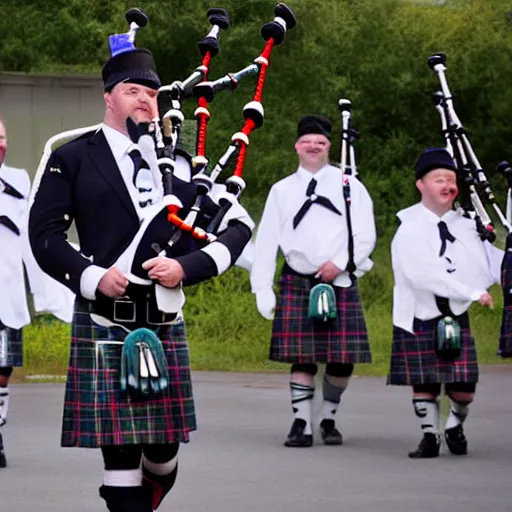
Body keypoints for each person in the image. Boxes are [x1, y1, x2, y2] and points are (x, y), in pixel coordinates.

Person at [28, 38, 253, 511]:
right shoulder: (73, 157)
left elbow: (236, 227)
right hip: (106, 321)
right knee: (122, 459)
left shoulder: (180, 163)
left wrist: (185, 268)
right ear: (109, 96)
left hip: (164, 321)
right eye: (133, 90)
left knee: (163, 456)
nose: (145, 99)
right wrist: (91, 275)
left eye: (151, 93)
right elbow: (44, 236)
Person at [250, 114, 376, 447]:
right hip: (297, 277)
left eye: (320, 143)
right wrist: (261, 287)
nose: (313, 147)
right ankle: (301, 424)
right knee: (301, 357)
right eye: (307, 142)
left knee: (341, 360)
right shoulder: (282, 191)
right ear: (297, 146)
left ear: (329, 147)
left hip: (341, 279)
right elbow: (266, 240)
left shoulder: (350, 185)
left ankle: (328, 418)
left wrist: (343, 264)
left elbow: (366, 234)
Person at [388, 147, 502, 458]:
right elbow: (421, 274)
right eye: (439, 179)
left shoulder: (469, 226)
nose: (447, 186)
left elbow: (492, 264)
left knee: (463, 390)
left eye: (451, 180)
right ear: (421, 185)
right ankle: (429, 437)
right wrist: (471, 292)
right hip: (419, 313)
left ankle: (453, 425)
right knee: (425, 383)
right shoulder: (408, 228)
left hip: (456, 314)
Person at [0, 116, 70, 468]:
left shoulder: (18, 180)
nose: (1, 144)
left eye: (3, 137)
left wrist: (52, 288)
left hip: (6, 295)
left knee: (2, 368)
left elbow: (32, 238)